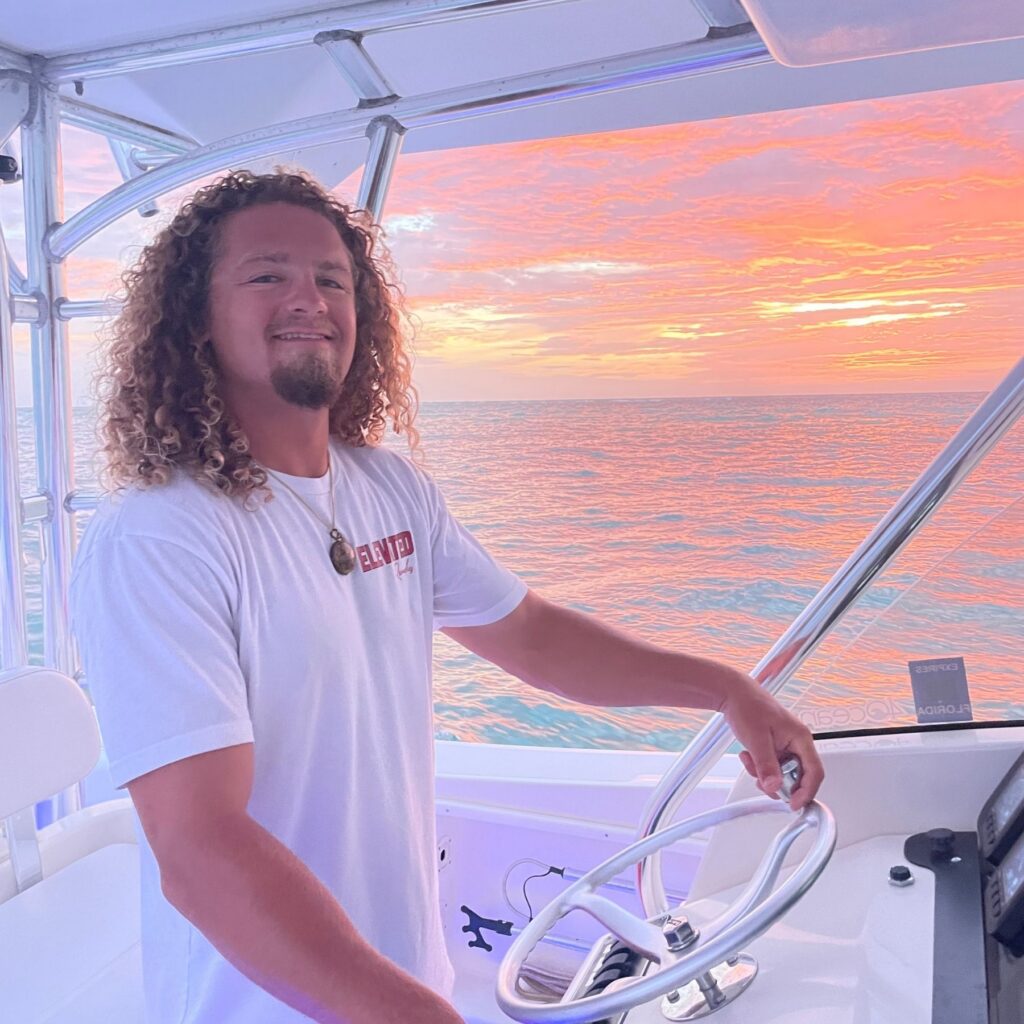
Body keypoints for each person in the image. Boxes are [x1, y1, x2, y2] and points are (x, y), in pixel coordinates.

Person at [70, 169, 824, 1024]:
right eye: (267, 274)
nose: (309, 299)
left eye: (332, 279)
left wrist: (725, 689)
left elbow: (531, 633)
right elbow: (200, 848)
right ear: (195, 319)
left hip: (403, 982)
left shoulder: (387, 489)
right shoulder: (160, 537)